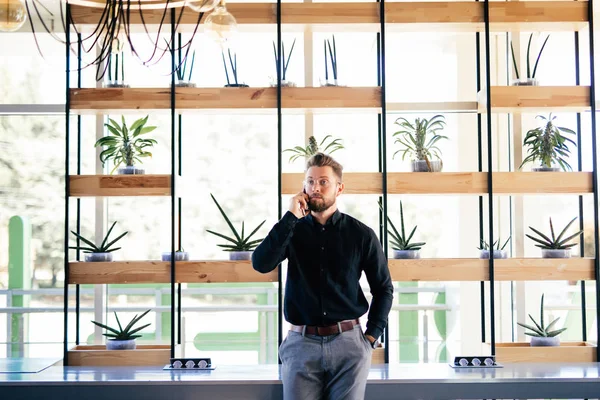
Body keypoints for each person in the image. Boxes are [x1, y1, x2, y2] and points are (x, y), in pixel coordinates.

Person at [252, 152, 394, 400]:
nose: (315, 187)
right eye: (310, 181)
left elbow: (383, 288)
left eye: (323, 182)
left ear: (339, 189)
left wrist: (370, 337)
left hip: (349, 345)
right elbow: (261, 264)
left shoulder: (362, 235)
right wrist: (290, 218)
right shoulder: (291, 230)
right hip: (300, 345)